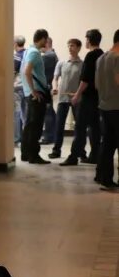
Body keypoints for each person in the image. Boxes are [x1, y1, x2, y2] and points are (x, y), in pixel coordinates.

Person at [60, 29, 104, 166]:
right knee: (95, 127)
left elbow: (85, 79)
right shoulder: (102, 55)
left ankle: (74, 156)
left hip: (88, 98)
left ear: (89, 40)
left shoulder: (91, 56)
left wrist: (77, 94)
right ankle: (94, 155)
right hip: (98, 97)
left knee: (80, 127)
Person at [48, 39, 83, 159]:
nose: (70, 48)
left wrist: (78, 94)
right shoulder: (62, 63)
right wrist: (55, 87)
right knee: (59, 125)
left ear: (78, 48)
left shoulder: (82, 64)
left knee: (79, 126)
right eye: (68, 46)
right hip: (63, 98)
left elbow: (83, 82)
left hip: (76, 99)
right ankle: (56, 150)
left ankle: (81, 151)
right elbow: (55, 78)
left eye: (72, 46)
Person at [20, 29, 51, 164]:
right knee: (36, 126)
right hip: (36, 94)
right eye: (46, 39)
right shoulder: (34, 53)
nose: (47, 42)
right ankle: (34, 155)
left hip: (29, 93)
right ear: (43, 39)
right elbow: (27, 71)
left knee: (29, 125)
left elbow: (24, 71)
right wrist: (33, 91)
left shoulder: (27, 51)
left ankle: (25, 153)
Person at [95, 29, 119, 190]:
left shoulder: (101, 58)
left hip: (104, 106)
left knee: (107, 144)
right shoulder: (117, 58)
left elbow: (97, 85)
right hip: (117, 106)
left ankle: (104, 178)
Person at [40, 37, 59, 144]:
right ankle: (52, 135)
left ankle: (48, 136)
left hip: (46, 87)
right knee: (50, 112)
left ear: (46, 43)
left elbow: (37, 69)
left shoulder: (48, 56)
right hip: (49, 86)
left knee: (47, 113)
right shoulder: (53, 55)